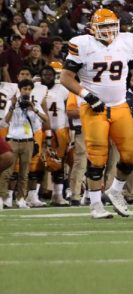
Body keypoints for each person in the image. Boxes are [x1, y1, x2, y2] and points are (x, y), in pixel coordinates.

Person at [60, 8, 133, 219]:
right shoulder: (82, 44)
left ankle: (115, 190)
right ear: (93, 28)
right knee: (97, 158)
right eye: (104, 27)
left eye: (112, 26)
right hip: (94, 109)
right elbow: (65, 77)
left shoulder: (126, 40)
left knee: (132, 155)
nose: (109, 31)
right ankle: (95, 205)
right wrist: (87, 96)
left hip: (120, 106)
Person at [2, 79, 49, 208]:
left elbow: (45, 119)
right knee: (8, 172)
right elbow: (6, 121)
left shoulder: (34, 104)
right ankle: (4, 198)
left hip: (28, 140)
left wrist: (34, 109)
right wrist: (12, 106)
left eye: (29, 89)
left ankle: (21, 198)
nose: (26, 91)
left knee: (24, 172)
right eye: (24, 89)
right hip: (13, 140)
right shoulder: (12, 102)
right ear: (20, 90)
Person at [38, 64, 71, 205]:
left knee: (59, 163)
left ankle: (57, 195)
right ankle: (33, 195)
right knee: (38, 163)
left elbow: (69, 107)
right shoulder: (36, 89)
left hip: (59, 129)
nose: (47, 77)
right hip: (40, 129)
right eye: (45, 74)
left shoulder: (62, 89)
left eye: (50, 74)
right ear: (41, 76)